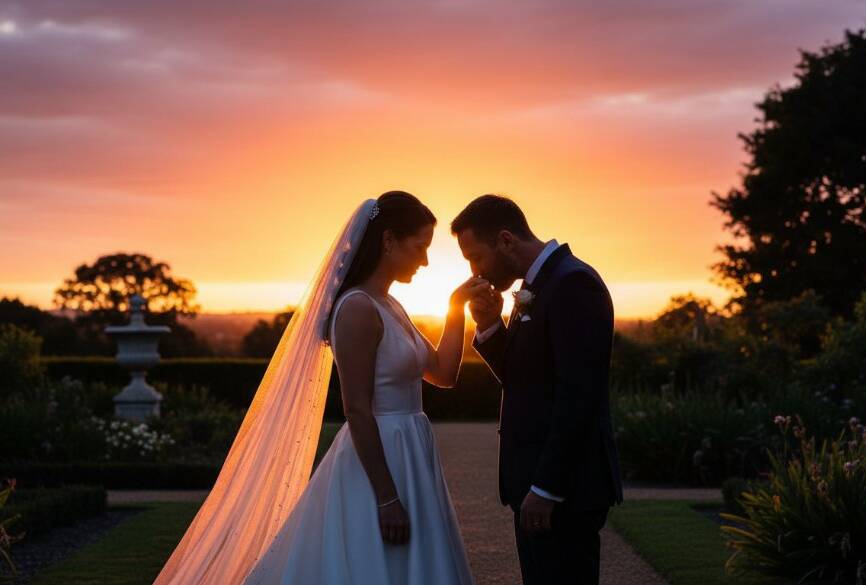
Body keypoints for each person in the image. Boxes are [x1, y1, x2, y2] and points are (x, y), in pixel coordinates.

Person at [155, 192, 480, 584]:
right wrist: (386, 496)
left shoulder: (391, 305)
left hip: (411, 448)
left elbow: (444, 373)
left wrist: (456, 306)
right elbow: (357, 409)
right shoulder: (358, 307)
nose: (426, 260)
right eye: (420, 247)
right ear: (389, 240)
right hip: (379, 458)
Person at [452, 194, 624, 585]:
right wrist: (491, 326)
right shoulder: (538, 284)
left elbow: (577, 396)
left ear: (507, 240)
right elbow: (525, 380)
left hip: (563, 490)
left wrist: (547, 487)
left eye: (476, 257)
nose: (474, 272)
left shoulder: (573, 283)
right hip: (533, 484)